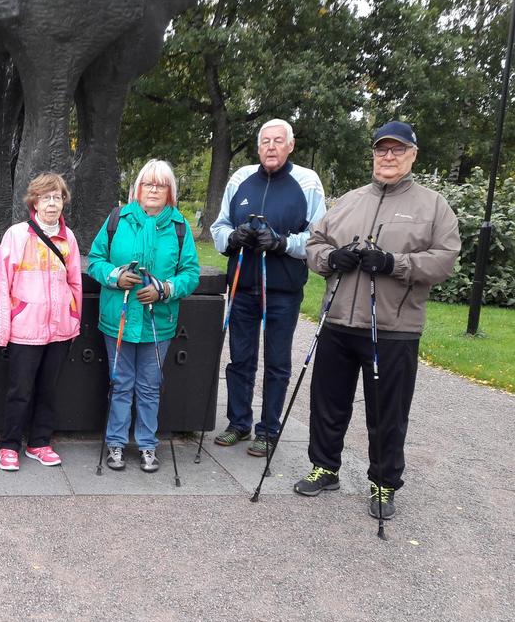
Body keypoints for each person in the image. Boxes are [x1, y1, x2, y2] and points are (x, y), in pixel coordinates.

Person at [293, 121, 460, 519]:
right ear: (373, 155)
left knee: (387, 411)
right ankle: (324, 467)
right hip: (337, 320)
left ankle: (384, 483)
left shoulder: (433, 205)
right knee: (327, 403)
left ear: (412, 155)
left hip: (393, 327)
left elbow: (444, 260)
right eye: (381, 149)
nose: (388, 156)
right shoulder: (349, 201)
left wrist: (393, 263)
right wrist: (332, 258)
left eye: (397, 150)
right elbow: (315, 245)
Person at [210, 118, 327, 457]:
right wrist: (234, 237)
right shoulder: (241, 178)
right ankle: (238, 422)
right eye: (265, 141)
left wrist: (282, 242)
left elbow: (318, 238)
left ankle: (269, 429)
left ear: (290, 145)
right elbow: (219, 227)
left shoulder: (307, 181)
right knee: (240, 358)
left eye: (278, 141)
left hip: (282, 290)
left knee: (276, 362)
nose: (271, 147)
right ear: (258, 147)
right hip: (243, 285)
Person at [88, 159, 200, 472]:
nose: (153, 189)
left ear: (170, 191)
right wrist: (116, 276)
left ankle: (148, 444)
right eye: (148, 183)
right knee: (120, 383)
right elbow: (95, 260)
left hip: (157, 321)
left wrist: (164, 289)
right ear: (137, 188)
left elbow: (190, 273)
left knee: (150, 386)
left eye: (160, 184)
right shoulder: (118, 219)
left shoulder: (179, 227)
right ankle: (116, 443)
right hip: (119, 318)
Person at [0, 172, 83, 471]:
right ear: (34, 202)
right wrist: (2, 331)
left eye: (57, 197)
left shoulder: (69, 238)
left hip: (59, 329)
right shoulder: (17, 235)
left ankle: (40, 443)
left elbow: (75, 283)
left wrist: (73, 319)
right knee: (19, 391)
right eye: (46, 198)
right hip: (25, 328)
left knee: (48, 390)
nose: (52, 203)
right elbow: (1, 283)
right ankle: (9, 445)